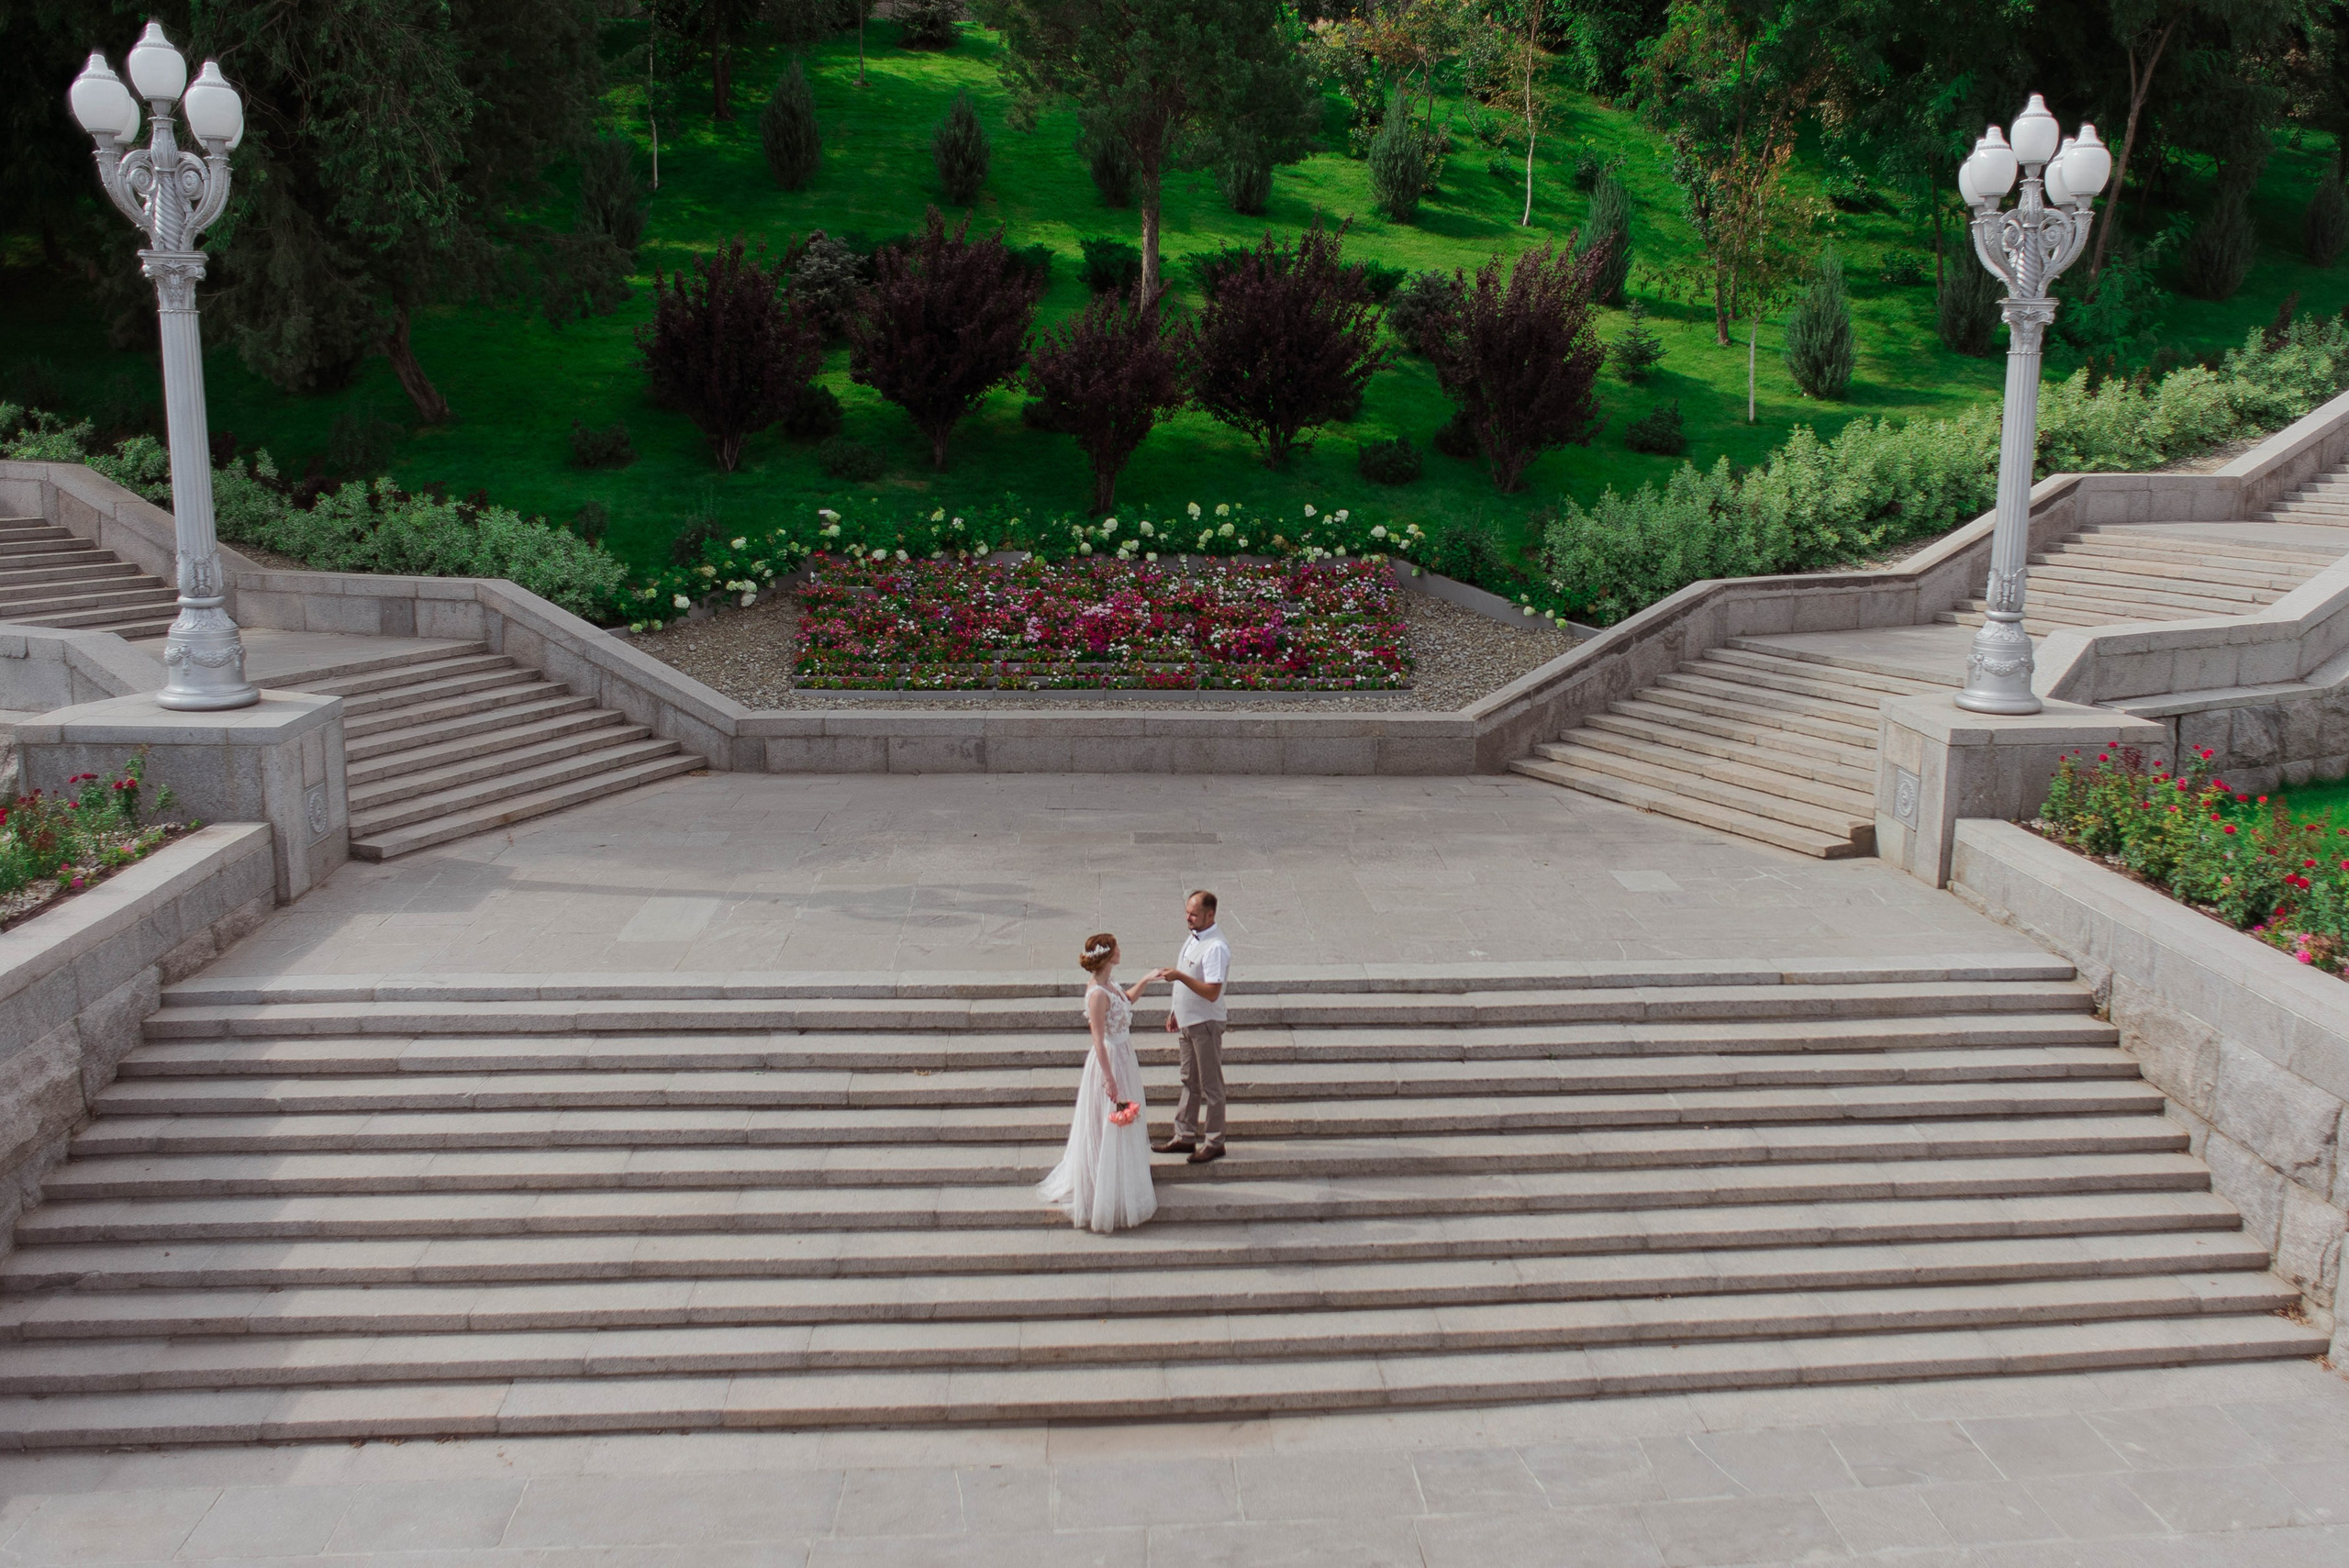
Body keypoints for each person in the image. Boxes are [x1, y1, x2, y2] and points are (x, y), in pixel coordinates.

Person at [1037, 932, 1158, 1232]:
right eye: (1117, 947)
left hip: (1124, 1056)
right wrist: (1109, 1079)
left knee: (1125, 1122)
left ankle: (1123, 1177)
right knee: (1108, 1123)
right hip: (1111, 1061)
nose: (1120, 950)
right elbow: (1099, 1039)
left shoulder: (1110, 985)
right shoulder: (1097, 994)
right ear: (1108, 955)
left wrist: (1147, 979)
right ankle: (1102, 1188)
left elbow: (1127, 999)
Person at [1152, 889, 1230, 1165]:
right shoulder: (1194, 937)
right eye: (1187, 912)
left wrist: (1179, 977)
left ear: (1210, 915)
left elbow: (1211, 991)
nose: (1188, 917)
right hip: (1188, 1021)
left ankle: (1214, 1141)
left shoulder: (1215, 948)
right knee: (1189, 1080)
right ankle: (1185, 1135)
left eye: (1194, 914)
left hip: (1205, 1023)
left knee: (1211, 1085)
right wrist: (1175, 1011)